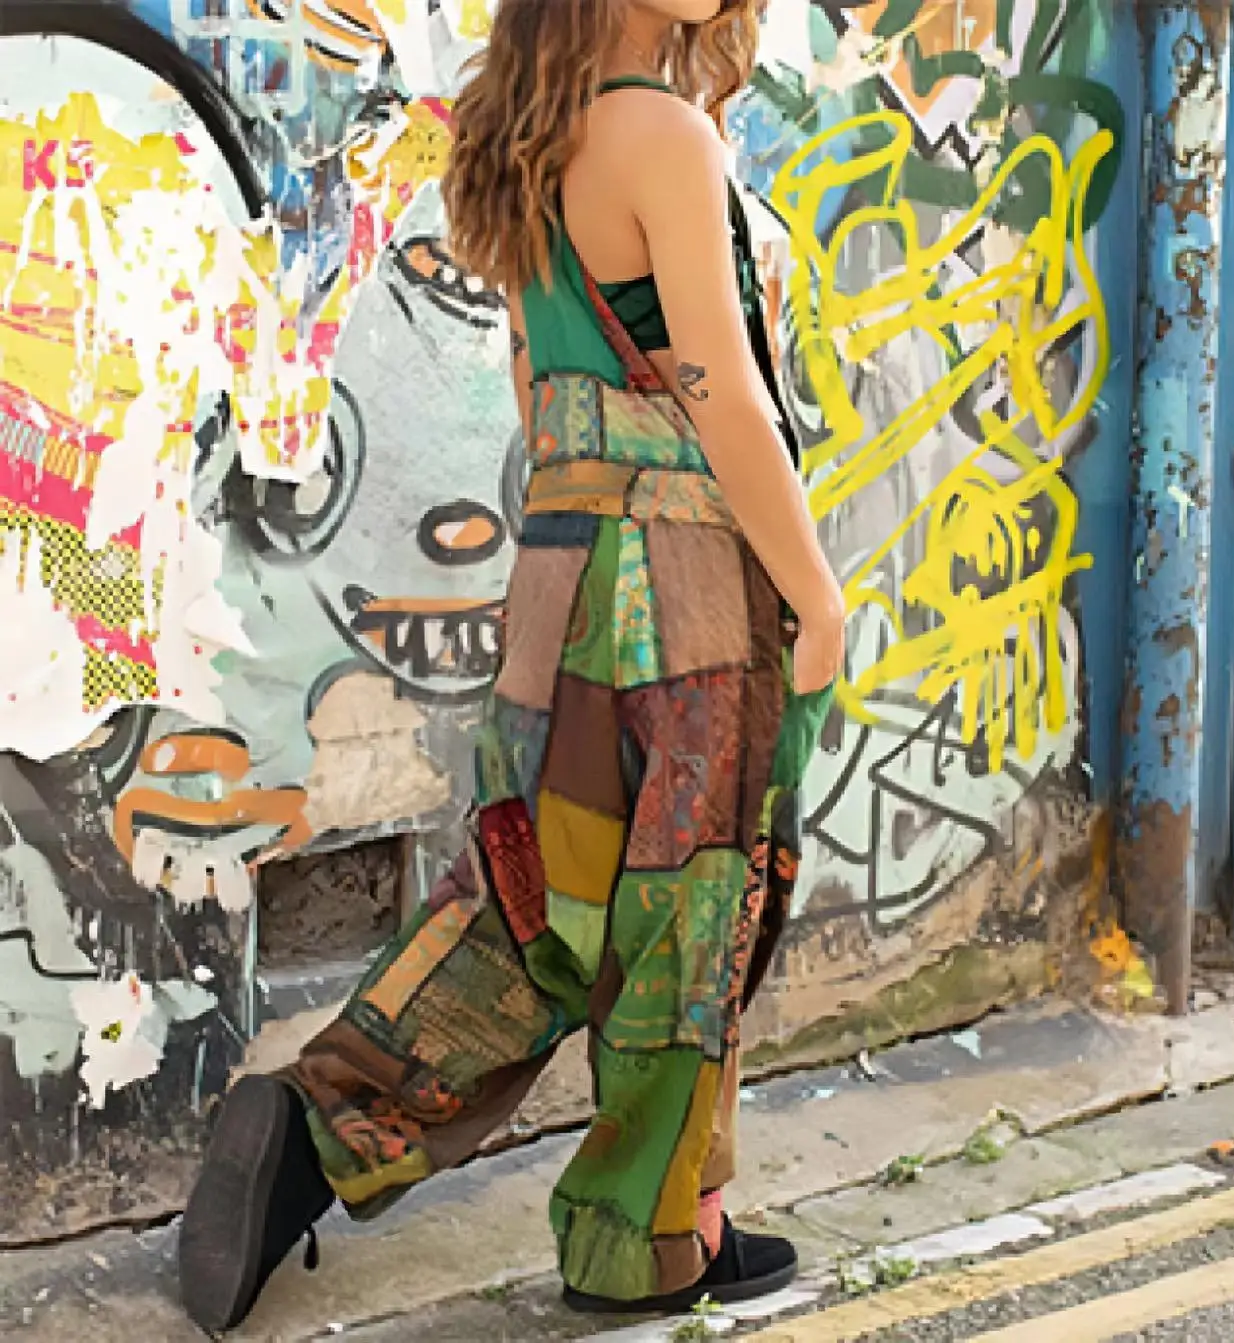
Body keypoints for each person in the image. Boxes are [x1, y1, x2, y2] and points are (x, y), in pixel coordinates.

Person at [177, 0, 846, 1331]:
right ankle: (642, 1242)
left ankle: (315, 1125)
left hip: (558, 575)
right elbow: (721, 396)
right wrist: (815, 597)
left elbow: (552, 395)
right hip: (683, 585)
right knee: (688, 911)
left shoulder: (526, 146)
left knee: (532, 908)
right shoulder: (665, 135)